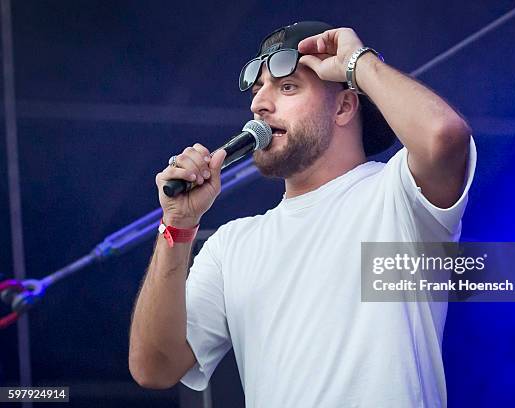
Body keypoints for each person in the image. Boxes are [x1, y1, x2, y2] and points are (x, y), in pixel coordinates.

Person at [129, 21, 476, 407]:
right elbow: (155, 368)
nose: (259, 103)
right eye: (258, 90)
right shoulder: (232, 245)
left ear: (344, 106)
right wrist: (176, 226)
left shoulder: (396, 195)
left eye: (287, 86)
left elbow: (444, 136)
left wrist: (354, 63)